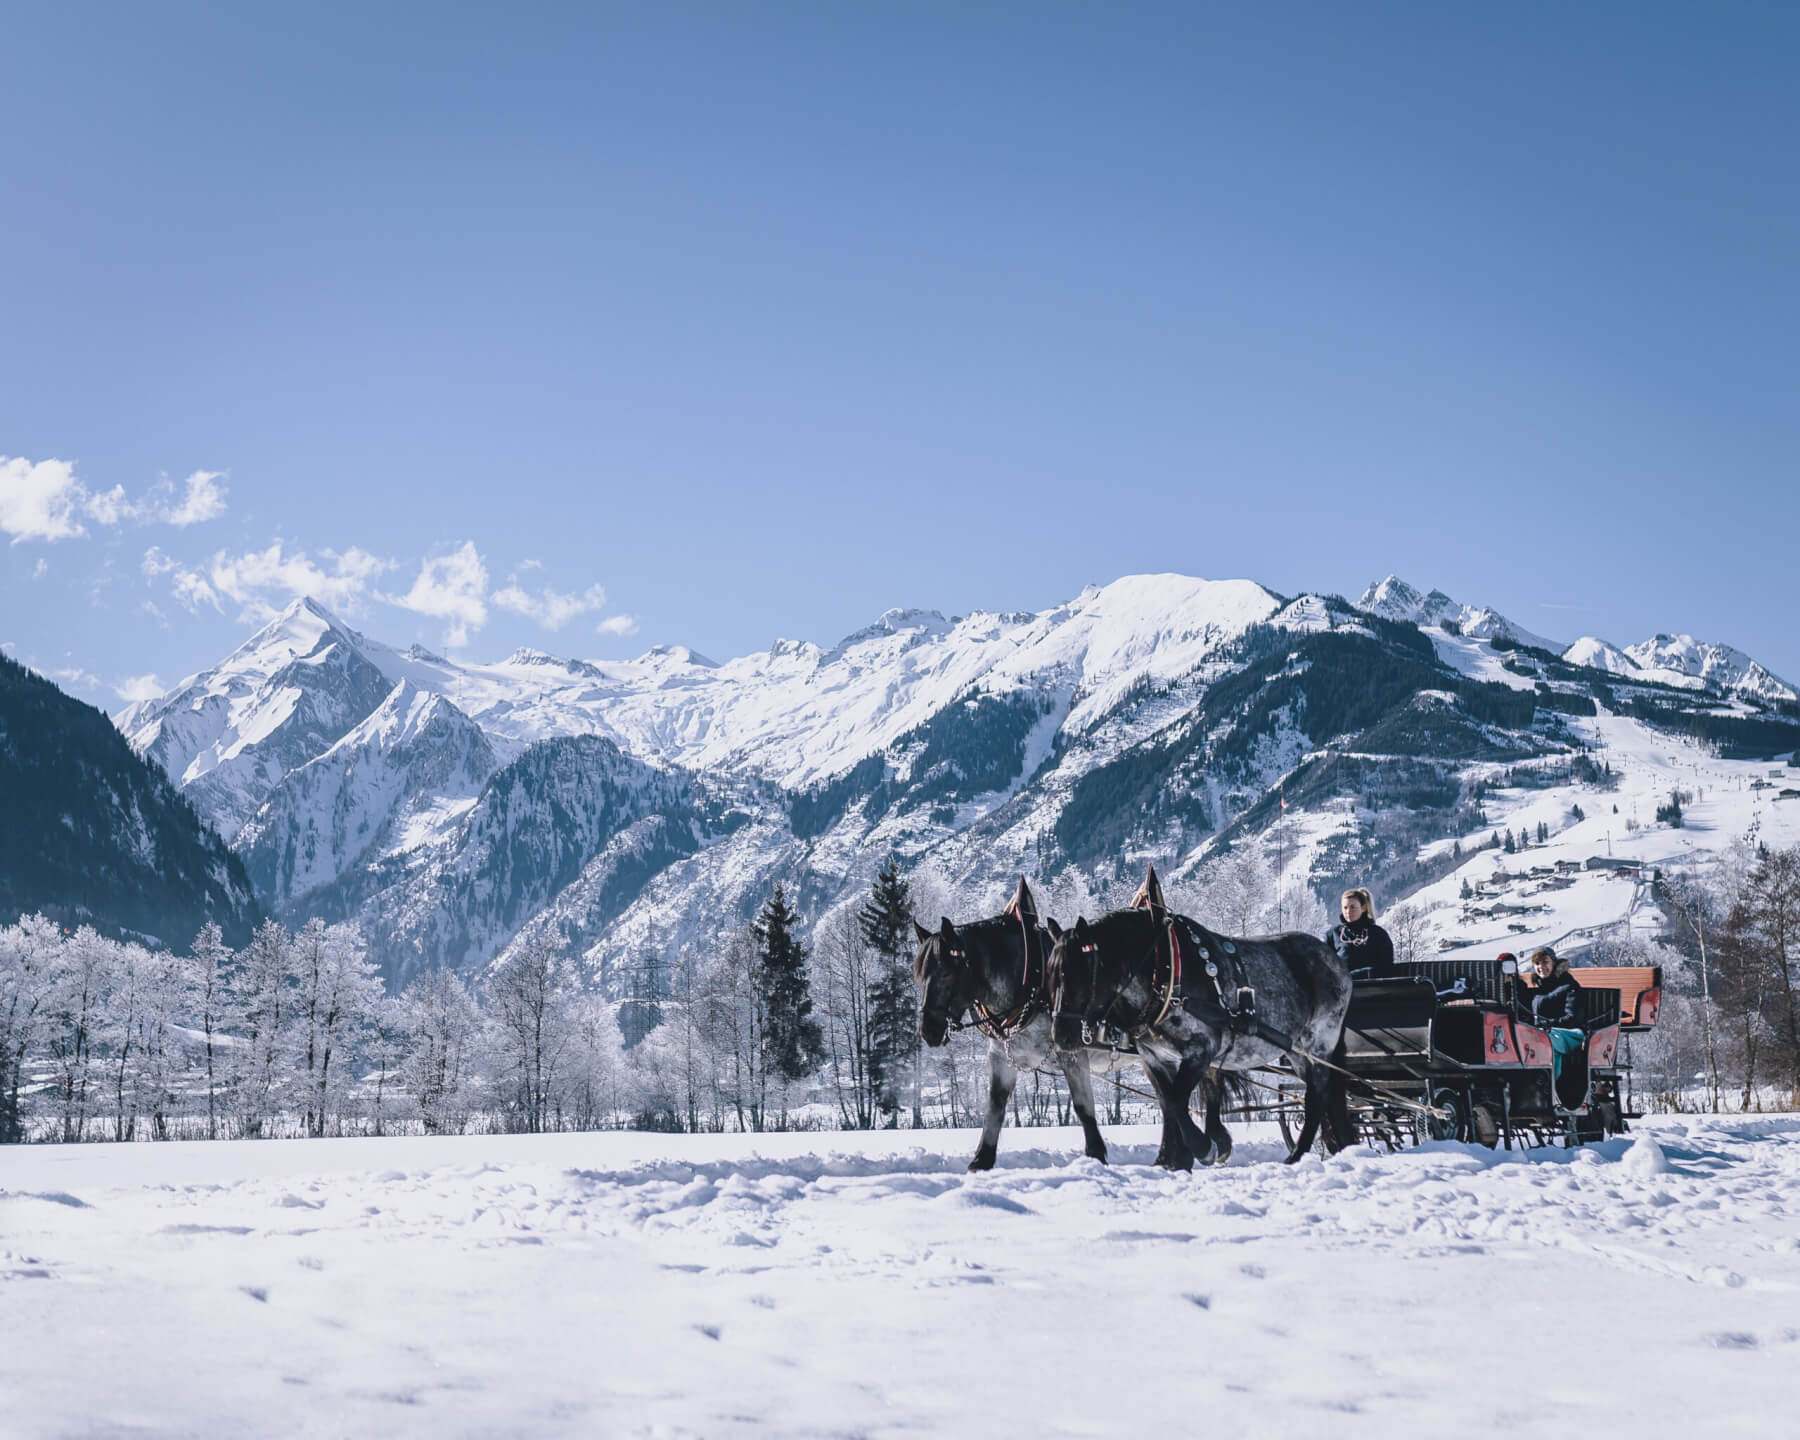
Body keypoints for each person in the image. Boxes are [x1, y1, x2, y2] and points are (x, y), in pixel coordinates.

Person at [1326, 887, 1399, 981]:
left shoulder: (1379, 935)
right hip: (1341, 991)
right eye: (1345, 907)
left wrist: (1354, 976)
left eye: (1353, 907)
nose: (1348, 911)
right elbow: (1324, 966)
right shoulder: (1333, 934)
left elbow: (1387, 968)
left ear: (1363, 907)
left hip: (1371, 990)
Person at [1517, 947, 1582, 1029]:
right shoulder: (1539, 988)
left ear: (1553, 963)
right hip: (1540, 1034)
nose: (1541, 966)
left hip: (1563, 1034)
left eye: (1545, 962)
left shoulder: (1569, 986)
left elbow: (1573, 1018)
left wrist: (1546, 1024)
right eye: (1537, 963)